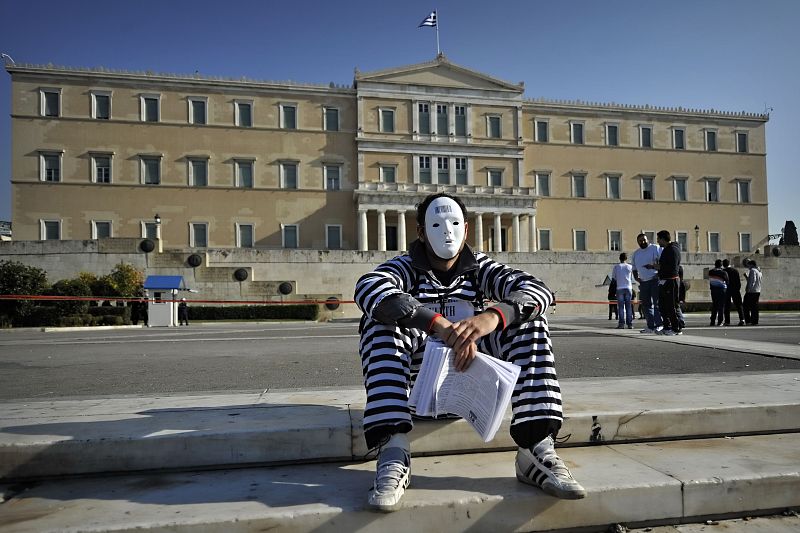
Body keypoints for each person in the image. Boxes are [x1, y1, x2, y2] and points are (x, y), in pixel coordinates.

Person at [354, 193, 585, 511]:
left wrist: (491, 317)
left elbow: (539, 290)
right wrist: (440, 326)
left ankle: (535, 447)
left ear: (466, 228)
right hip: (416, 396)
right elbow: (370, 287)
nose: (447, 232)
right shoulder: (404, 269)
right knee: (379, 321)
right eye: (436, 224)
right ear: (421, 232)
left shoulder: (480, 269)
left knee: (529, 321)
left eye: (454, 224)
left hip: (469, 391)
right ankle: (393, 452)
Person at [651, 230, 682, 336]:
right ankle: (667, 326)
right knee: (662, 305)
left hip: (671, 281)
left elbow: (672, 267)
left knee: (671, 306)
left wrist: (658, 267)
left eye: (658, 239)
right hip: (664, 281)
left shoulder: (672, 250)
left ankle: (676, 328)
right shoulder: (666, 250)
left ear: (663, 239)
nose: (658, 242)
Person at [632, 233, 663, 334]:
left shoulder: (655, 248)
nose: (643, 242)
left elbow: (663, 262)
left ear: (647, 239)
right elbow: (634, 268)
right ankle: (650, 326)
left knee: (657, 304)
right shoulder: (636, 253)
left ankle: (659, 325)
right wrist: (637, 278)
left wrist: (659, 274)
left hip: (655, 280)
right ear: (637, 242)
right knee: (646, 305)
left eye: (644, 240)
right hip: (644, 282)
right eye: (640, 241)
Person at [611, 253, 634, 329]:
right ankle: (630, 324)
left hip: (620, 288)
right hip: (628, 287)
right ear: (626, 258)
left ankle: (621, 324)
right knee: (628, 307)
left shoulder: (616, 267)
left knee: (620, 307)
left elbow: (614, 278)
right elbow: (631, 278)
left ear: (619, 258)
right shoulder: (630, 267)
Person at [722, 259, 745, 326]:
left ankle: (727, 321)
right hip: (735, 290)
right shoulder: (735, 271)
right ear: (729, 264)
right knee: (739, 305)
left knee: (727, 306)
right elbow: (738, 282)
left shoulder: (723, 271)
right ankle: (742, 319)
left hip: (727, 290)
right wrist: (737, 289)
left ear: (723, 265)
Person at [708, 260, 729, 327]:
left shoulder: (711, 272)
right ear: (721, 265)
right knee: (721, 306)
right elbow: (727, 281)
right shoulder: (723, 272)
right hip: (722, 290)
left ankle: (712, 321)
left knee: (714, 306)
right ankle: (720, 321)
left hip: (713, 290)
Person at [743, 260, 763, 325]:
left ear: (751, 264)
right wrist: (746, 277)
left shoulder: (752, 270)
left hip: (751, 292)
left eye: (748, 265)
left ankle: (748, 320)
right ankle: (754, 321)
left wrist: (748, 289)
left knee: (745, 306)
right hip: (757, 291)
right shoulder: (759, 271)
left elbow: (752, 281)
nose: (748, 267)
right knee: (754, 307)